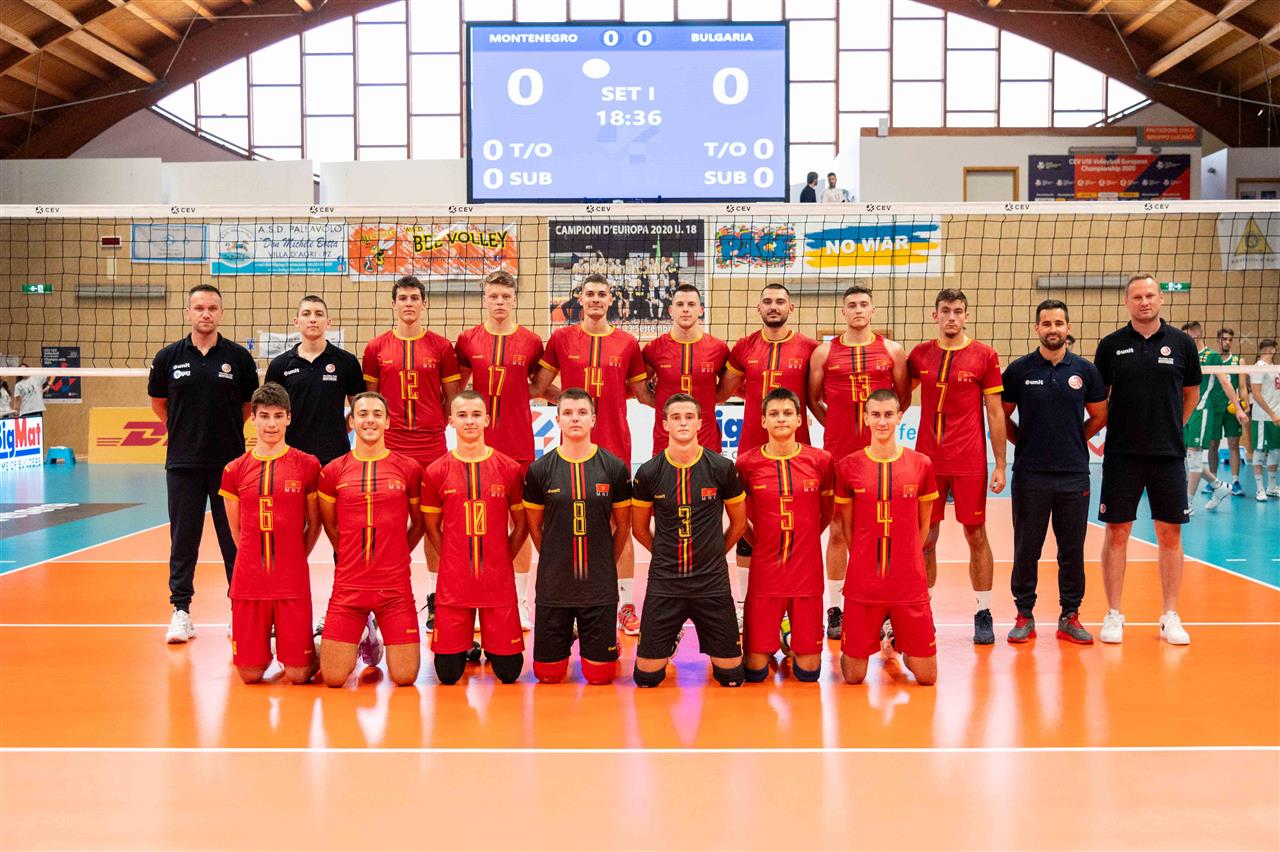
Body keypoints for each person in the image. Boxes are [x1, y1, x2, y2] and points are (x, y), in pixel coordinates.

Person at [530, 273, 652, 636]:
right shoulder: (561, 339)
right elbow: (539, 387)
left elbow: (642, 393)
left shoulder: (628, 343)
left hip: (616, 446)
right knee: (569, 523)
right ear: (580, 300)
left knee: (620, 524)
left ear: (611, 299)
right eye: (590, 294)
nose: (596, 299)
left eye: (602, 294)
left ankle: (625, 605)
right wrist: (573, 406)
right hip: (570, 451)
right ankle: (572, 598)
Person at [1094, 274, 1204, 646]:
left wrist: (1171, 426)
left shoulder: (1182, 343)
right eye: (1138, 296)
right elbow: (1099, 398)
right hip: (1122, 454)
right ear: (1127, 302)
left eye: (1150, 295)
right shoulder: (1111, 345)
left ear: (1161, 299)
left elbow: (1191, 394)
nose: (1145, 302)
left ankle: (1170, 615)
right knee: (1117, 532)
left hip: (1168, 455)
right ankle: (1114, 613)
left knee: (1170, 534)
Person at [148, 284, 259, 644]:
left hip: (230, 466)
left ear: (221, 313)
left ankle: (239, 610)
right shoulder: (168, 357)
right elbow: (159, 403)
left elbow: (248, 407)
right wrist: (185, 430)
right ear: (188, 313)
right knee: (183, 540)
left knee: (234, 540)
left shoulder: (239, 358)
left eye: (212, 308)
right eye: (199, 308)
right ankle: (181, 611)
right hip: (183, 463)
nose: (206, 313)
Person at [1000, 300, 1108, 645]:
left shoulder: (1086, 371)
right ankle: (1024, 615)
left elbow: (1100, 415)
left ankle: (1070, 616)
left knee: (1072, 550)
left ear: (1068, 328)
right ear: (1037, 328)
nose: (1053, 329)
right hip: (1030, 474)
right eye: (1046, 324)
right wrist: (1023, 441)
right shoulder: (1019, 370)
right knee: (1026, 548)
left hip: (1073, 474)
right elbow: (1001, 416)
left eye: (1058, 323)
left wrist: (1076, 438)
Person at [808, 286, 909, 644]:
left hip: (881, 456)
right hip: (838, 456)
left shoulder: (892, 350)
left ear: (873, 310)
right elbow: (813, 399)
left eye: (864, 304)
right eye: (851, 305)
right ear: (843, 311)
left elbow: (901, 399)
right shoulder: (824, 352)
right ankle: (835, 608)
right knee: (837, 531)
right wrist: (835, 427)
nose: (858, 310)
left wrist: (877, 432)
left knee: (882, 530)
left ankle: (882, 607)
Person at [361, 275, 460, 628]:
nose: (408, 303)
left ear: (424, 304)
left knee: (435, 523)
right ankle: (384, 596)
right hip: (391, 448)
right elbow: (370, 402)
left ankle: (437, 598)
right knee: (387, 523)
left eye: (414, 298)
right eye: (402, 298)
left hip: (432, 446)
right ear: (393, 304)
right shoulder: (375, 348)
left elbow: (452, 399)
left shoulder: (442, 347)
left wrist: (435, 425)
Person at [907, 288, 1006, 645]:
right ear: (935, 315)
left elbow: (995, 413)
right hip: (928, 462)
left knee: (975, 534)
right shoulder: (919, 355)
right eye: (946, 310)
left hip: (969, 460)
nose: (952, 316)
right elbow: (898, 399)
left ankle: (983, 612)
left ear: (966, 315)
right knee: (925, 538)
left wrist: (1000, 464)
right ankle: (923, 610)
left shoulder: (985, 355)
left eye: (958, 311)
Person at [719, 283, 817, 632]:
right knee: (746, 525)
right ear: (758, 308)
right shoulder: (744, 347)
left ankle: (790, 606)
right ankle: (744, 606)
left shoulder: (809, 348)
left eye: (780, 301)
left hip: (796, 452)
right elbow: (722, 390)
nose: (773, 306)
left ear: (791, 308)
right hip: (751, 450)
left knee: (795, 527)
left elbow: (818, 395)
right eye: (767, 301)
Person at [631, 394, 748, 688]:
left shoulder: (721, 468)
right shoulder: (649, 472)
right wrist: (665, 555)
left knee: (732, 677)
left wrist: (714, 554)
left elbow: (739, 524)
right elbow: (639, 529)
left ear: (699, 423)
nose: (682, 423)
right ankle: (669, 640)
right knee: (646, 678)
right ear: (665, 425)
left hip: (711, 582)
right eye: (676, 418)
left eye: (688, 417)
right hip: (666, 582)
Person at [454, 270, 546, 629]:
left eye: (506, 297)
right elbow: (457, 391)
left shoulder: (531, 341)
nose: (499, 302)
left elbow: (538, 386)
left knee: (520, 523)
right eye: (493, 296)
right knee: (477, 523)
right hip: (476, 448)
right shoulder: (467, 340)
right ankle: (478, 597)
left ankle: (520, 601)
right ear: (484, 298)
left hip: (519, 445)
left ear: (515, 299)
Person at [522, 389, 633, 685]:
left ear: (593, 419)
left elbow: (623, 527)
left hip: (598, 587)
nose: (575, 419)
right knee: (548, 675)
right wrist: (553, 559)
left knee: (600, 677)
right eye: (568, 413)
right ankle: (571, 633)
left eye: (582, 413)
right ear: (557, 420)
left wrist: (605, 561)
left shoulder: (614, 467)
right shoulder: (540, 470)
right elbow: (534, 527)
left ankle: (598, 637)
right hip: (554, 588)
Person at [317, 392, 424, 686]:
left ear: (388, 422)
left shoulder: (409, 469)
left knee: (404, 677)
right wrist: (349, 554)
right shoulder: (332, 471)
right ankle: (361, 632)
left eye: (377, 414)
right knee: (333, 678)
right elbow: (330, 524)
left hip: (394, 588)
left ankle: (371, 632)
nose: (370, 420)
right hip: (349, 585)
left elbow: (419, 523)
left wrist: (398, 552)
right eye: (362, 414)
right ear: (352, 422)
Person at [218, 383, 323, 684]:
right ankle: (266, 651)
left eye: (278, 416)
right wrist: (254, 560)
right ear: (253, 418)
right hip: (249, 581)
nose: (271, 424)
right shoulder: (234, 470)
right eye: (264, 416)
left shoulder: (307, 464)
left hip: (291, 579)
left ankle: (324, 647)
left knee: (299, 675)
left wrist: (295, 557)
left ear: (289, 417)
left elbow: (314, 524)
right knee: (249, 675)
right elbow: (237, 531)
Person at [420, 391, 527, 685]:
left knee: (509, 672)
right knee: (448, 674)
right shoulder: (436, 471)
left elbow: (521, 525)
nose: (470, 421)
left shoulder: (509, 468)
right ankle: (468, 645)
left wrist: (503, 557)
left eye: (476, 415)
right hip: (455, 582)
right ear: (451, 421)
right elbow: (431, 527)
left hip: (497, 581)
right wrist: (451, 558)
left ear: (487, 420)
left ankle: (493, 644)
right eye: (463, 415)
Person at [835, 389, 938, 686]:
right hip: (863, 583)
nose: (882, 422)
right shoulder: (848, 466)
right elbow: (847, 528)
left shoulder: (921, 464)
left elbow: (923, 525)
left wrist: (907, 557)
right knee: (853, 676)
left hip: (908, 582)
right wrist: (864, 561)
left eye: (889, 415)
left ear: (900, 417)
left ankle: (895, 640)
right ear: (866, 418)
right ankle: (882, 631)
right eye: (876, 415)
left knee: (927, 677)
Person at [735, 388, 834, 683]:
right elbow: (739, 519)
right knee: (754, 672)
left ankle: (789, 636)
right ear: (763, 421)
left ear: (799, 420)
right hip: (765, 575)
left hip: (806, 575)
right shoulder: (747, 463)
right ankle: (778, 634)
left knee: (808, 673)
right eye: (774, 414)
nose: (781, 419)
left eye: (788, 413)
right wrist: (761, 544)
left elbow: (826, 513)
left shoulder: (821, 460)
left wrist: (806, 539)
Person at [264, 295, 366, 466]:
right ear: (296, 321)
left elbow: (360, 407)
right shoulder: (279, 365)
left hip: (335, 455)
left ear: (328, 322)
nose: (312, 319)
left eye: (319, 314)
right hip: (292, 456)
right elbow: (268, 412)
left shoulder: (346, 361)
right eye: (306, 314)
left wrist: (342, 428)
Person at [642, 283, 729, 454]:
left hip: (707, 443)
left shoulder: (718, 348)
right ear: (671, 310)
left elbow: (726, 390)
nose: (685, 309)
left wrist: (707, 400)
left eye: (691, 304)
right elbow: (640, 391)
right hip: (665, 443)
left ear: (701, 310)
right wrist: (663, 404)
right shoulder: (654, 348)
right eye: (680, 304)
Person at [1180, 322, 1248, 512]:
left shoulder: (1212, 357)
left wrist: (1239, 408)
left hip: (1202, 410)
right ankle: (1219, 486)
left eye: (1186, 336)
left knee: (1194, 458)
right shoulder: (1185, 356)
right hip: (1186, 412)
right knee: (1187, 459)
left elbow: (1226, 383)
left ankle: (1187, 504)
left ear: (1196, 336)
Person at [1206, 327, 1246, 496]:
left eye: (1230, 339)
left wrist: (1243, 407)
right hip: (1214, 408)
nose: (1227, 342)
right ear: (1218, 340)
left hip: (1231, 409)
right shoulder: (1211, 359)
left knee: (1233, 445)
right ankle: (1213, 481)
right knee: (1212, 445)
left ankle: (1235, 482)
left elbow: (1242, 386)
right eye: (1224, 339)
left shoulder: (1238, 361)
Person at [1245, 339, 1280, 501]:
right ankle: (1260, 489)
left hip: (1276, 416)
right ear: (1271, 349)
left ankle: (1272, 487)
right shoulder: (1258, 367)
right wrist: (1272, 414)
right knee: (1259, 451)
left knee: (1275, 451)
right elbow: (1257, 395)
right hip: (1263, 417)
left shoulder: (1275, 368)